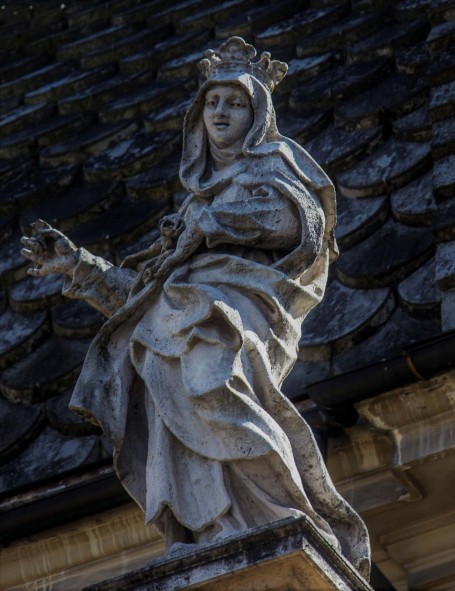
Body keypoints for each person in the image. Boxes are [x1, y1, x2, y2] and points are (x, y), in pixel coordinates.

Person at [21, 37, 370, 578]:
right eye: (213, 103)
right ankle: (210, 527)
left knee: (216, 382)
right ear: (198, 116)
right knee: (172, 406)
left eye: (235, 103)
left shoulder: (274, 165)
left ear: (256, 114)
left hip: (235, 309)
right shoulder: (194, 205)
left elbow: (298, 226)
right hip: (170, 321)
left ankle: (284, 514)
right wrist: (78, 268)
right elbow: (144, 291)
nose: (222, 113)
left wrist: (214, 226)